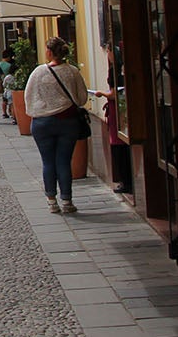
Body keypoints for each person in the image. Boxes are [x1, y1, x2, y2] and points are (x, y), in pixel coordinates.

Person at [26, 38, 89, 214]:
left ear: (49, 52)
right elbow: (82, 98)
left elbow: (28, 96)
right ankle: (67, 201)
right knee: (63, 161)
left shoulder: (39, 72)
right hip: (67, 121)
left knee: (47, 162)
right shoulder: (72, 72)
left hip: (42, 123)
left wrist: (39, 110)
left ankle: (51, 201)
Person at [96, 84, 132, 195]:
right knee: (120, 152)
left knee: (121, 153)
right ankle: (125, 181)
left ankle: (126, 183)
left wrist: (101, 93)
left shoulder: (119, 82)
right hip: (117, 121)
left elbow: (113, 94)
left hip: (119, 122)